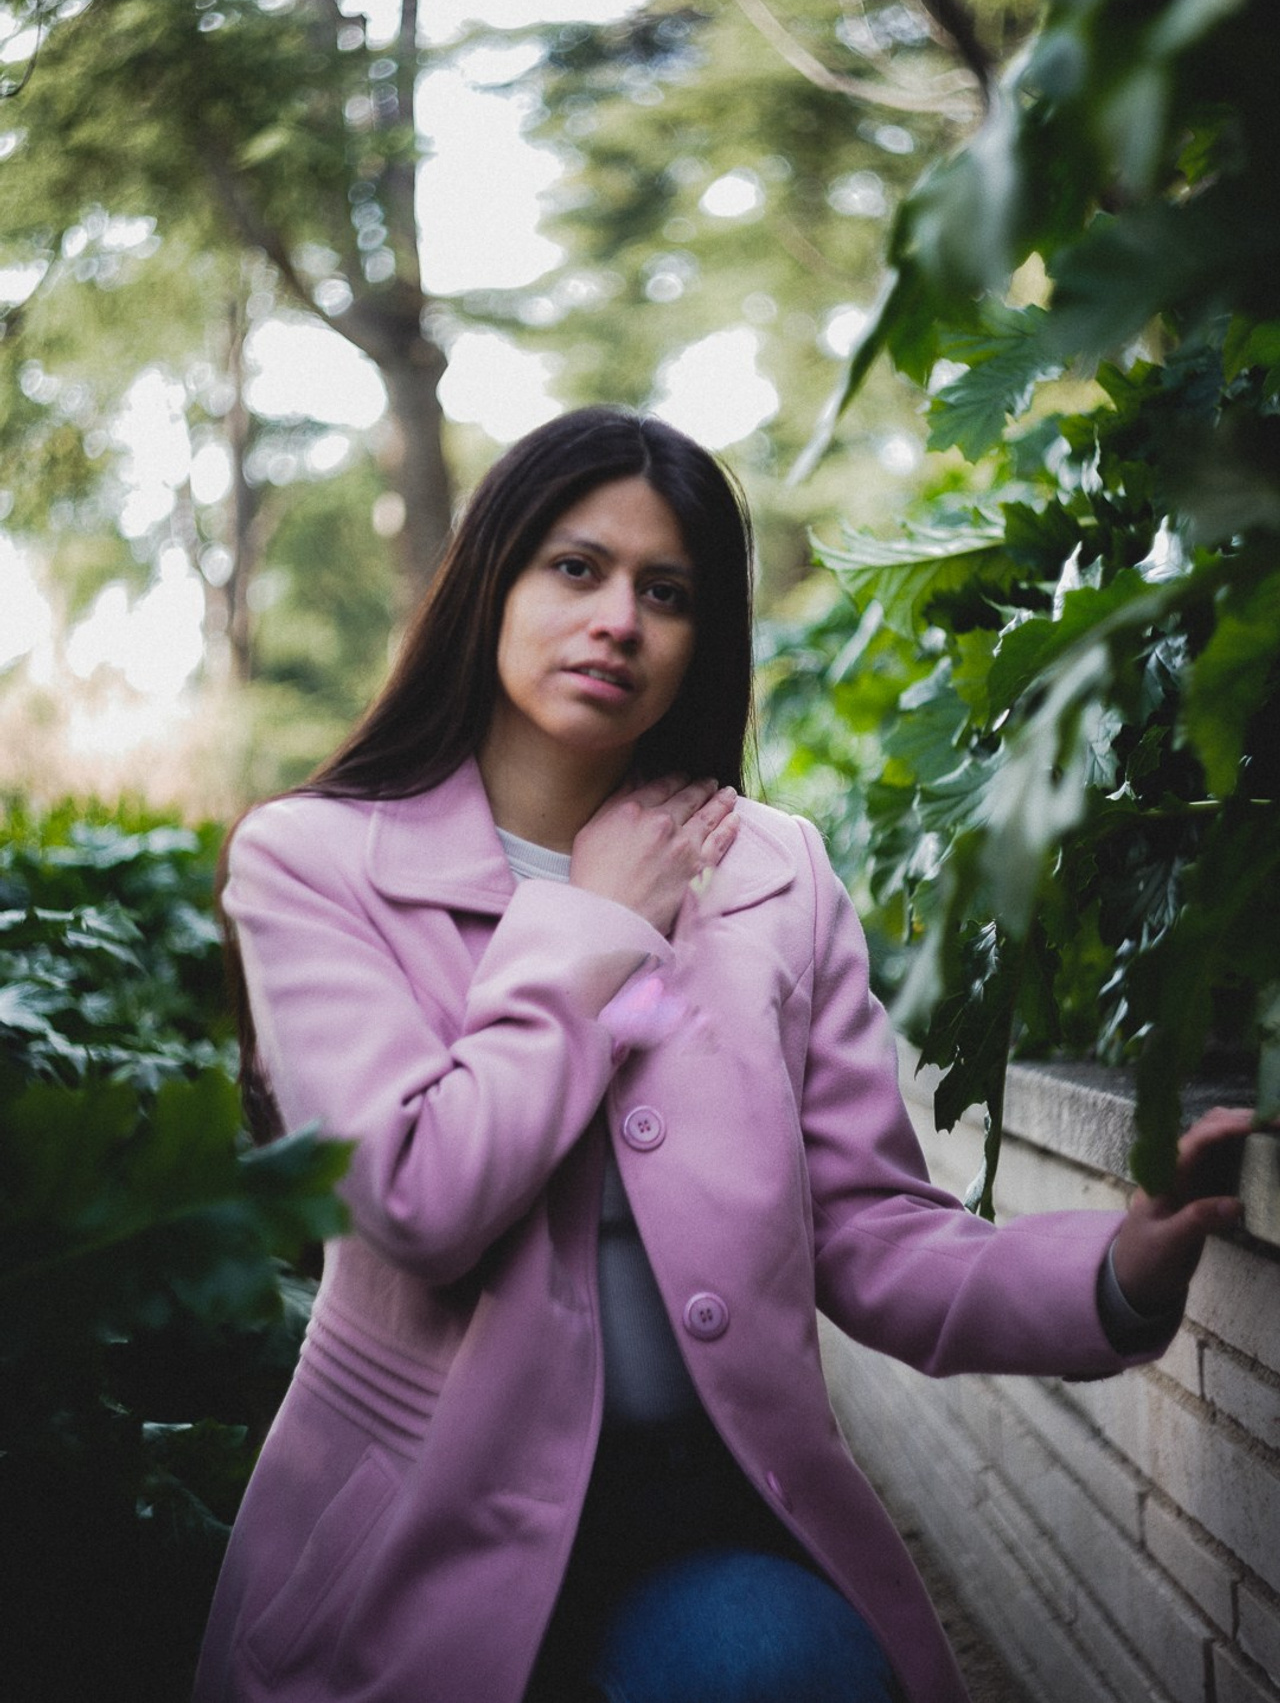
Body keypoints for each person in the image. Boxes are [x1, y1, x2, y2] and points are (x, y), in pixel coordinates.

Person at [194, 406, 1251, 1703]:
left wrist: (1116, 1270)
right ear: (491, 584)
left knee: (786, 1673)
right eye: (576, 568)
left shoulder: (772, 872)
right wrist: (592, 923)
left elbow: (866, 1228)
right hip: (418, 1542)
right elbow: (419, 1197)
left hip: (700, 1516)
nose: (619, 620)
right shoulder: (313, 860)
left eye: (668, 591)